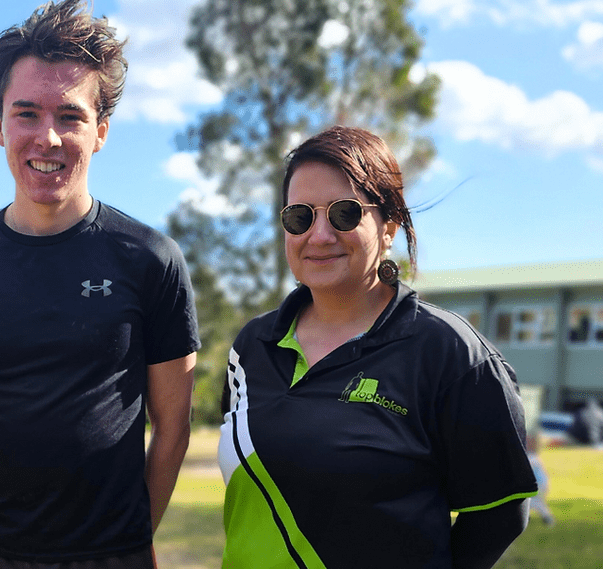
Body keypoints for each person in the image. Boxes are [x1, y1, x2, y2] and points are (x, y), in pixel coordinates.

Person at [0, 0, 199, 568]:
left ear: (101, 131)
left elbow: (173, 426)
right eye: (26, 113)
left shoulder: (151, 259)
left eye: (70, 116)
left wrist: (129, 535)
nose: (47, 137)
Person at [216, 126, 537, 568]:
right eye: (300, 216)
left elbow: (500, 513)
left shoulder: (452, 354)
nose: (320, 235)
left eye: (344, 213)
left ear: (389, 226)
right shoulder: (252, 346)